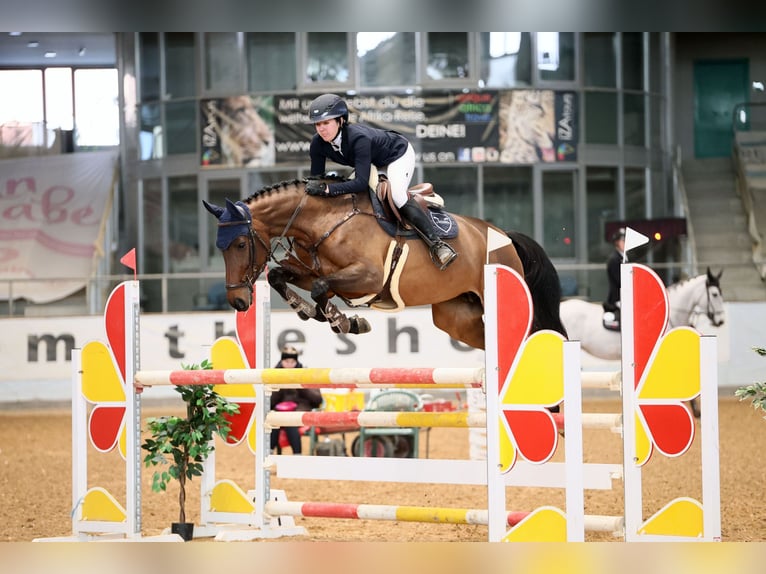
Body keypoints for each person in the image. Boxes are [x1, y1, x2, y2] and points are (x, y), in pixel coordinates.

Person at [304, 93, 457, 270]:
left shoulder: (358, 138)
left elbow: (360, 182)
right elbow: (316, 179)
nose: (321, 129)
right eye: (317, 124)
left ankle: (437, 244)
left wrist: (328, 189)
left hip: (397, 154)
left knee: (398, 195)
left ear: (340, 121)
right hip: (374, 162)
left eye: (326, 122)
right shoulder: (317, 143)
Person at [269, 345, 323, 454]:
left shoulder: (305, 374)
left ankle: (297, 455)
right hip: (279, 412)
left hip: (300, 410)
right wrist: (279, 385)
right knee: (274, 420)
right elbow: (268, 402)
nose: (289, 365)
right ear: (282, 361)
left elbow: (317, 399)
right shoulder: (273, 374)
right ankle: (269, 454)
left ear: (296, 362)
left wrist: (300, 384)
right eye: (286, 361)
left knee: (291, 420)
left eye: (292, 362)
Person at [602, 227, 625, 330]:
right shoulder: (614, 260)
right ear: (617, 242)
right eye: (623, 240)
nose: (625, 243)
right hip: (617, 298)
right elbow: (620, 281)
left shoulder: (624, 258)